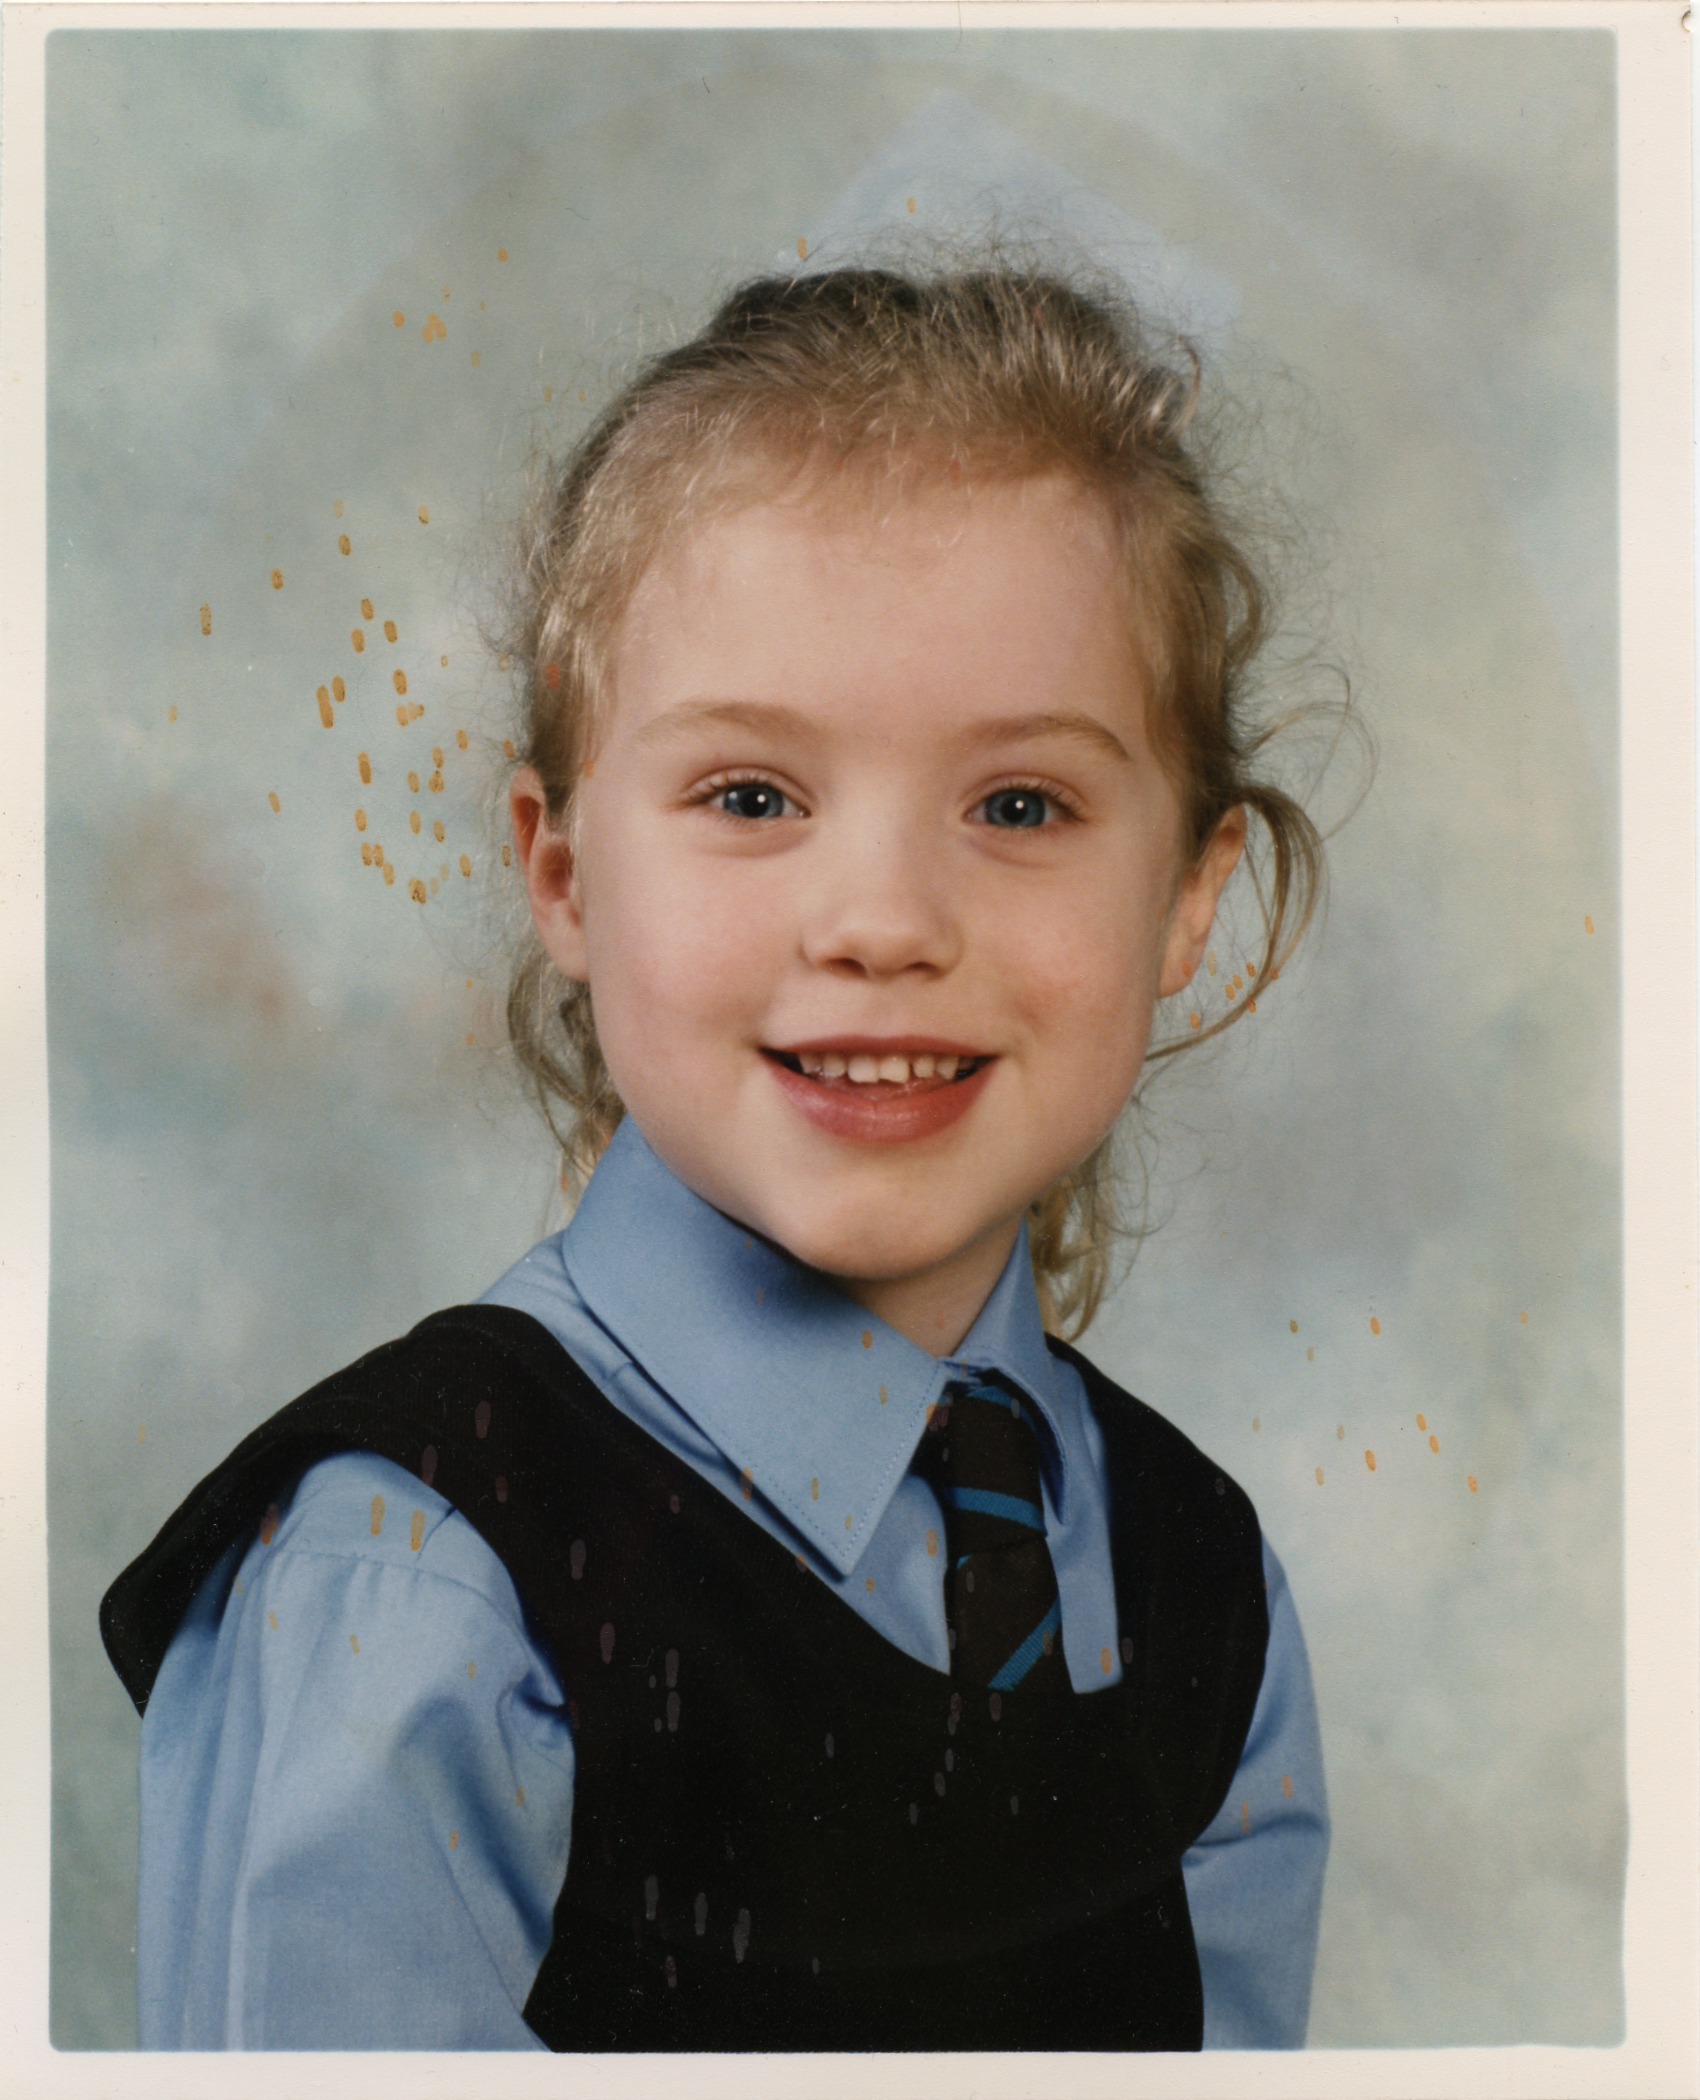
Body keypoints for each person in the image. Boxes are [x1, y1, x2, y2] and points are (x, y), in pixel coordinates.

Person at [102, 262, 1333, 2052]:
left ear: (1189, 897)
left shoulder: (1198, 1586)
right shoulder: (416, 1581)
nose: (884, 922)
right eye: (752, 797)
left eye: (1021, 805)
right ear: (563, 873)